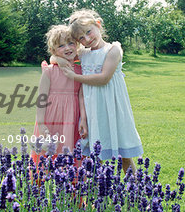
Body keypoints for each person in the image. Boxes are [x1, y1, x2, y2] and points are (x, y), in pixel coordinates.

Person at [58, 9, 142, 174]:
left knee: (124, 152)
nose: (87, 39)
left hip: (114, 107)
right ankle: (102, 192)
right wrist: (83, 118)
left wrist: (74, 76)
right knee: (97, 153)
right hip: (93, 109)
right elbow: (56, 57)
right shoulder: (82, 54)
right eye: (81, 38)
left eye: (89, 32)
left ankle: (136, 190)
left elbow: (104, 78)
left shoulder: (113, 50)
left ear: (98, 25)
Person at [31, 25, 88, 168]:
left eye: (71, 43)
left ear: (77, 45)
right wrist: (41, 122)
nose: (68, 48)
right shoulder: (49, 71)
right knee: (47, 149)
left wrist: (84, 119)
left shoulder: (81, 68)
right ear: (53, 51)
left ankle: (71, 181)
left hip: (72, 115)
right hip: (51, 116)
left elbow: (82, 95)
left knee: (69, 147)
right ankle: (41, 182)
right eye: (61, 46)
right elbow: (41, 98)